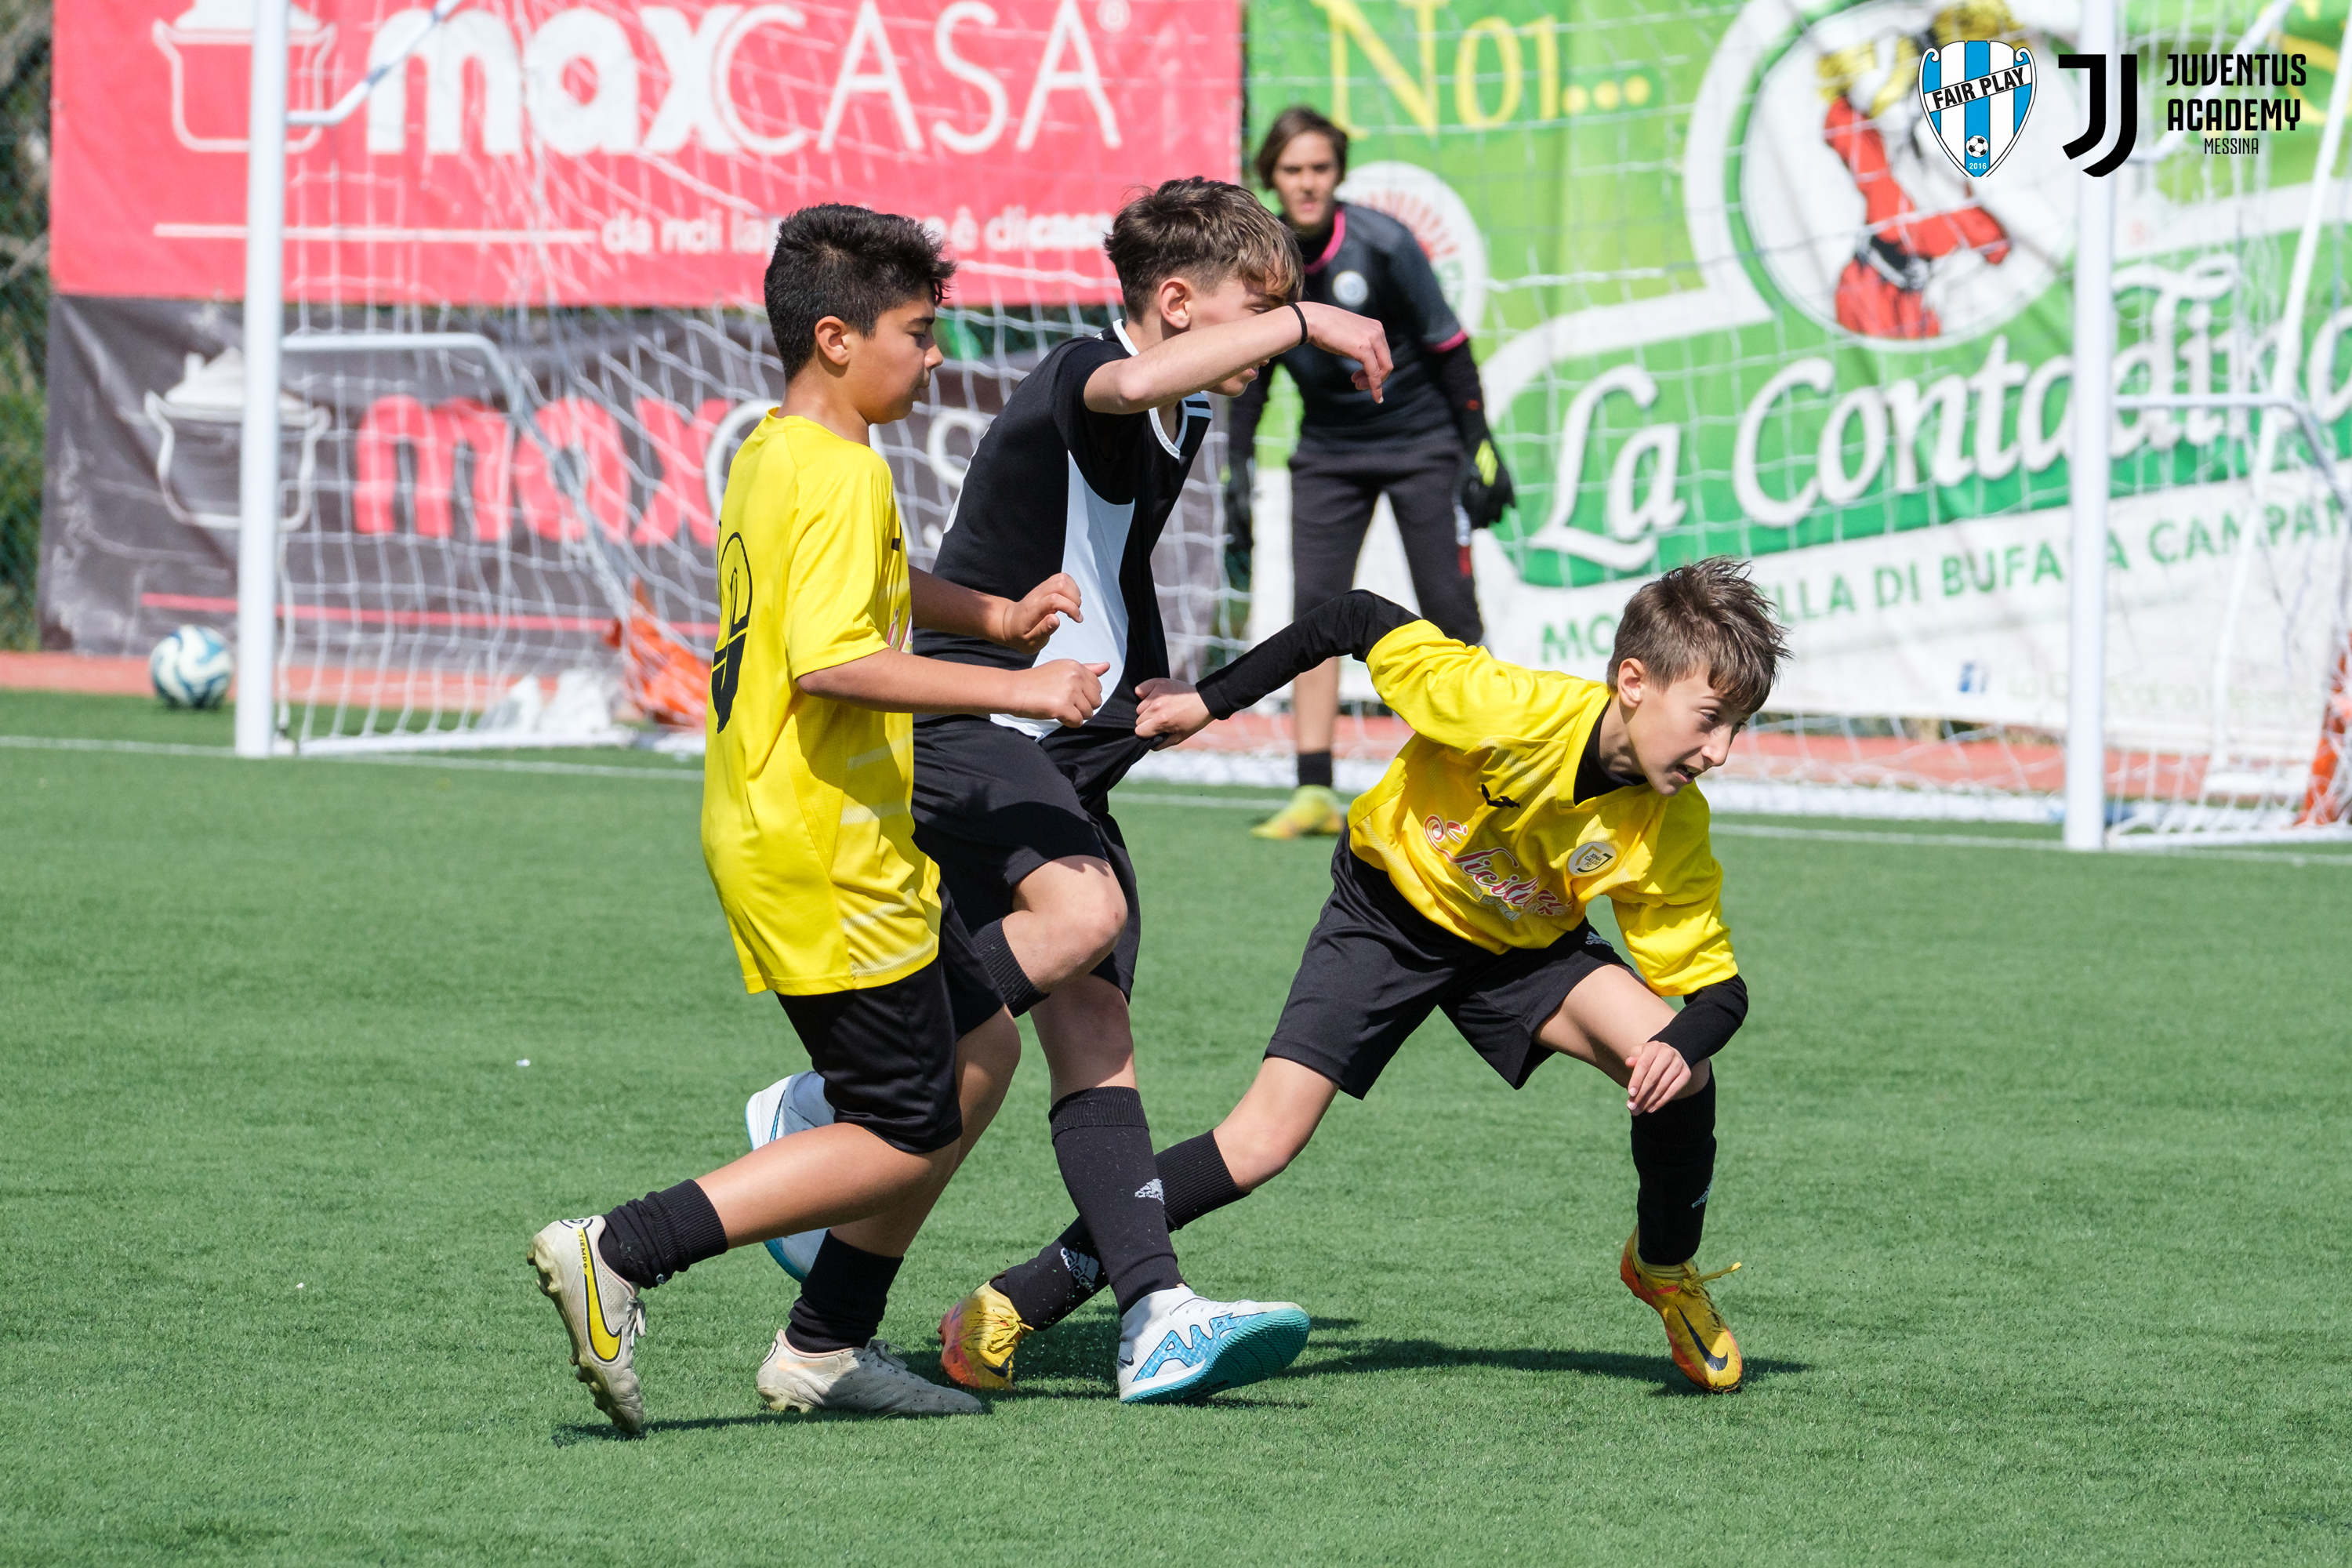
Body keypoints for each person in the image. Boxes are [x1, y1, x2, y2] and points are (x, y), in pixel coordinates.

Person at [524, 205, 1109, 1429]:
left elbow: (866, 593)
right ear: (838, 339)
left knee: (983, 1052)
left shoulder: (780, 448)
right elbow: (835, 662)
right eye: (919, 332)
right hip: (823, 848)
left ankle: (824, 1347)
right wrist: (1025, 688)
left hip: (803, 828)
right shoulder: (843, 473)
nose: (935, 356)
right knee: (902, 1131)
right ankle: (620, 1249)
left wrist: (995, 618)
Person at [938, 560, 1786, 1396]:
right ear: (1632, 681)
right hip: (1384, 917)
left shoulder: (1672, 821)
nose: (1719, 751)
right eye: (1710, 719)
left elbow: (1720, 992)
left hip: (1522, 947)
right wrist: (1211, 699)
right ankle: (1015, 1299)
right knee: (1259, 1143)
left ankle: (1663, 1263)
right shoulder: (1500, 705)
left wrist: (1678, 1044)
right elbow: (1355, 615)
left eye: (1737, 728)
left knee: (1682, 1071)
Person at [907, 176, 1392, 1404]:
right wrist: (1310, 321)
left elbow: (1116, 555)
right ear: (1177, 304)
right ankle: (842, 1088)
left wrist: (1165, 679)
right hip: (979, 725)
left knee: (1098, 1035)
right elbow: (1124, 387)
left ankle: (1155, 1316)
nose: (1273, 330)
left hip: (1060, 746)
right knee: (1083, 927)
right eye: (1256, 308)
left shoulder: (1191, 412)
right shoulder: (1090, 370)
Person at [1225, 104, 1519, 840]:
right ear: (1272, 177)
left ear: (1339, 173)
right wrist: (1234, 468)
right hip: (1327, 454)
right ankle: (1314, 789)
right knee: (1314, 613)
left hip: (1423, 445)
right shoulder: (1263, 264)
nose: (1307, 182)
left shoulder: (1385, 243)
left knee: (1449, 611)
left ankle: (1487, 776)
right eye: (1293, 170)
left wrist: (1480, 446)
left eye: (1320, 168)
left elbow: (1449, 348)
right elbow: (1254, 375)